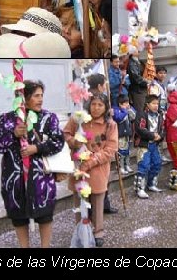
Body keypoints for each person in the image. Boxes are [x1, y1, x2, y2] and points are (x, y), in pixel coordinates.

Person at [0, 80, 64, 248]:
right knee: (18, 216)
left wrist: (36, 148)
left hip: (41, 178)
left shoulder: (48, 118)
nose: (40, 99)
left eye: (41, 96)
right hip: (14, 177)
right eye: (36, 96)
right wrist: (13, 134)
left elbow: (58, 142)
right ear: (25, 98)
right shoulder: (7, 119)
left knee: (45, 214)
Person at [63, 94, 118, 247]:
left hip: (98, 168)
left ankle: (98, 231)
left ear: (106, 107)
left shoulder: (110, 125)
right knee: (80, 200)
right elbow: (66, 133)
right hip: (79, 166)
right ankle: (80, 229)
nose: (96, 108)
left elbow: (110, 149)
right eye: (93, 104)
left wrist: (92, 161)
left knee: (97, 200)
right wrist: (73, 142)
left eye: (100, 105)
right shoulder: (79, 119)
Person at [134, 95, 165, 198]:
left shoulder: (159, 115)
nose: (156, 105)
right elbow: (140, 129)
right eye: (153, 103)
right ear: (147, 104)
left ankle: (151, 184)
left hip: (154, 145)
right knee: (143, 165)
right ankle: (139, 188)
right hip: (144, 144)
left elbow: (163, 129)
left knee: (157, 163)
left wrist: (160, 136)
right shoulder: (142, 114)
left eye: (157, 103)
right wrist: (152, 135)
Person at [113, 95, 136, 174]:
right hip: (120, 134)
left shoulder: (128, 110)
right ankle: (120, 167)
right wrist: (124, 111)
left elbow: (134, 117)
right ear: (120, 104)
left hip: (127, 134)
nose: (127, 104)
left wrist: (130, 110)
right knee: (121, 152)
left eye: (128, 102)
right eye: (126, 103)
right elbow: (118, 118)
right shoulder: (116, 110)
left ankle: (127, 165)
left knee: (127, 151)